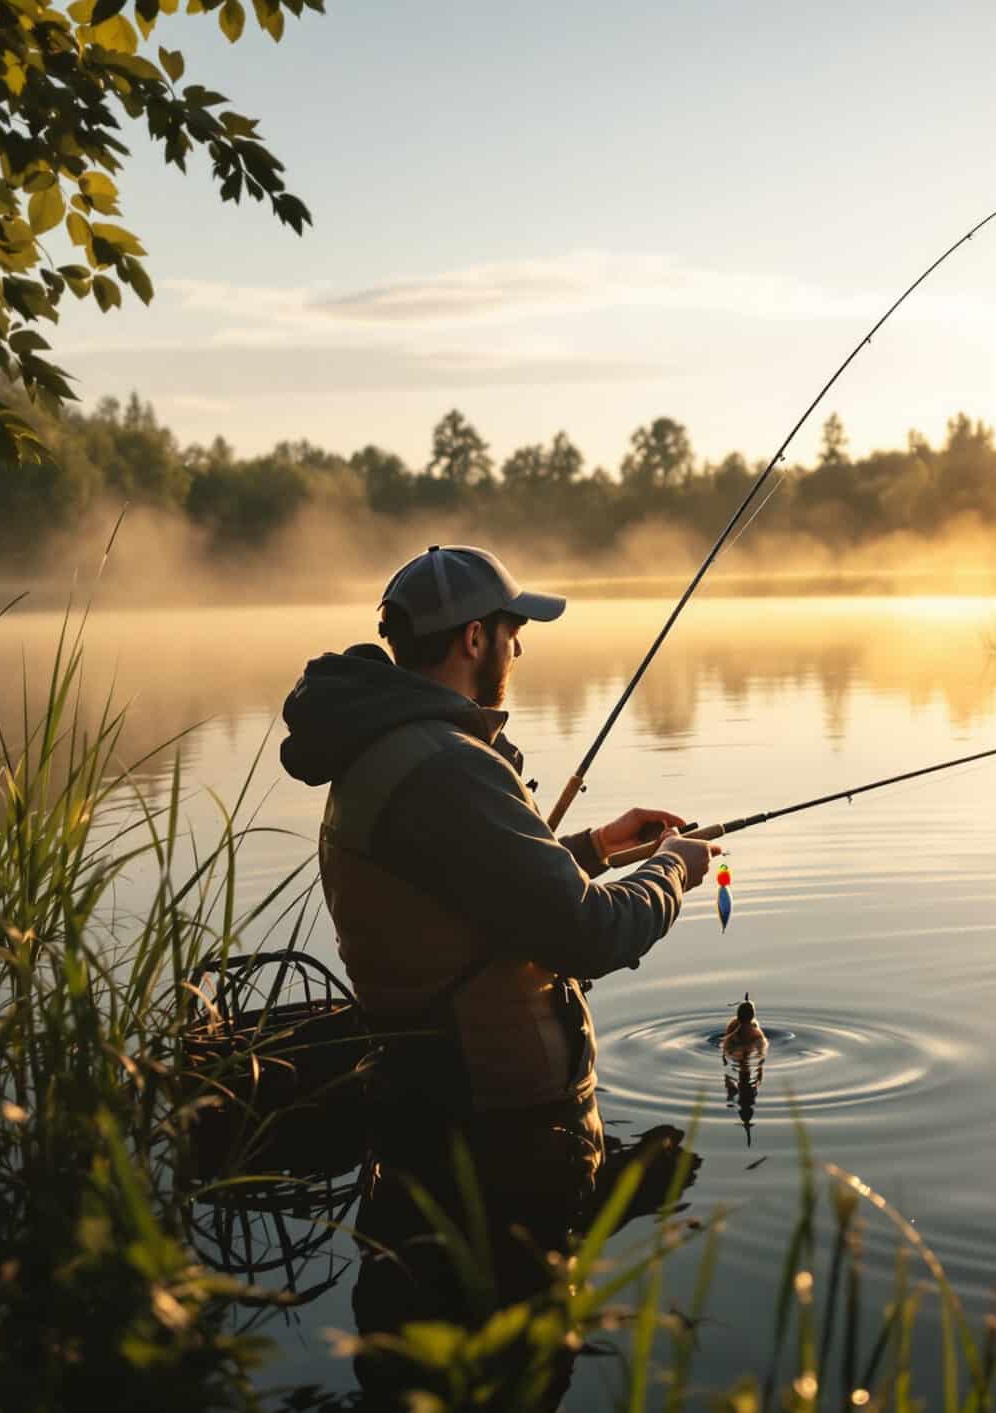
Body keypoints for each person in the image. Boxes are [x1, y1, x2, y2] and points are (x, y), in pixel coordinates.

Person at [277, 543, 720, 1402]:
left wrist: (595, 846)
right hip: (493, 1139)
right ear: (475, 638)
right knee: (511, 1382)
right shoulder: (447, 765)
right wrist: (673, 869)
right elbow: (589, 934)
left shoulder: (390, 747)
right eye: (515, 632)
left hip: (428, 1115)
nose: (520, 651)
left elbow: (463, 890)